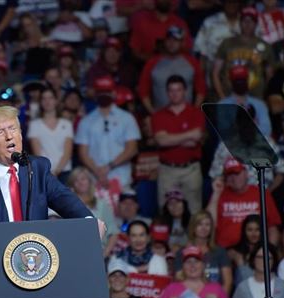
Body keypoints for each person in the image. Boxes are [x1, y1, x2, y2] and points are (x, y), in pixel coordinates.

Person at [0, 106, 104, 251]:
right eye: (0, 132)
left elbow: (65, 200)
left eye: (13, 129)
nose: (9, 136)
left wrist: (89, 222)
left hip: (32, 265)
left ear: (21, 134)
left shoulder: (37, 168)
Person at [151, 75, 205, 213]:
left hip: (191, 169)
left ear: (185, 91)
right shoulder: (159, 115)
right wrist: (188, 134)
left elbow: (195, 141)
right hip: (167, 171)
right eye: (171, 90)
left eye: (178, 90)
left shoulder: (196, 113)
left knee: (194, 212)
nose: (175, 94)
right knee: (166, 212)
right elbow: (161, 141)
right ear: (167, 93)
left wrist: (170, 138)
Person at [75, 76, 140, 188]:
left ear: (114, 93)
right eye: (100, 92)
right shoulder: (86, 121)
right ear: (95, 94)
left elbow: (132, 149)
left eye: (107, 91)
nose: (104, 95)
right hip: (95, 180)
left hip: (121, 178)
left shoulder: (127, 118)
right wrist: (98, 172)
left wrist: (109, 167)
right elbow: (83, 153)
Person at [207, 157, 281, 248]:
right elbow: (208, 223)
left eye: (237, 173)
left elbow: (273, 228)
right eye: (230, 174)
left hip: (256, 251)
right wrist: (216, 194)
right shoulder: (220, 194)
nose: (234, 178)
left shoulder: (261, 193)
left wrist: (268, 252)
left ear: (246, 173)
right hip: (225, 251)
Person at [155, 246, 230, 298]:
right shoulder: (171, 288)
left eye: (196, 261)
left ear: (203, 265)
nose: (192, 265)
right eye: (188, 262)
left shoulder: (216, 288)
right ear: (182, 266)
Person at [213, 6, 275, 100]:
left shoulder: (266, 47)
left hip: (256, 99)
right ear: (240, 22)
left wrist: (264, 98)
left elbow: (270, 76)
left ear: (256, 24)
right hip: (229, 97)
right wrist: (222, 97)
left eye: (251, 21)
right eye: (244, 20)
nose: (247, 24)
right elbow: (215, 73)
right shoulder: (227, 43)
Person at [138, 27, 206, 113]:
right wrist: (152, 113)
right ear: (164, 42)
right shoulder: (152, 63)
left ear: (182, 43)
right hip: (160, 116)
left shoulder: (192, 63)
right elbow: (143, 91)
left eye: (176, 40)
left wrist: (194, 111)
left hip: (186, 116)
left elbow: (201, 90)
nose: (172, 43)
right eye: (169, 39)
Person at [174, 211, 233, 295]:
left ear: (211, 228)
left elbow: (227, 283)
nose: (204, 228)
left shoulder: (220, 252)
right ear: (193, 227)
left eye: (207, 224)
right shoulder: (182, 253)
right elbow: (179, 281)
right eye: (200, 224)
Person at [66, 167, 117, 254]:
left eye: (83, 179)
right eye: (76, 180)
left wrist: (105, 254)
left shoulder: (101, 204)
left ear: (89, 182)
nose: (80, 182)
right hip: (73, 252)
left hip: (98, 251)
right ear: (72, 185)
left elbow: (113, 232)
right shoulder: (66, 206)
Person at [27, 87, 74, 181]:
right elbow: (38, 153)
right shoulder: (34, 125)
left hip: (65, 172)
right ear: (40, 102)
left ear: (56, 101)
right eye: (44, 98)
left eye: (50, 98)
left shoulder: (67, 124)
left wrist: (57, 171)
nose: (47, 101)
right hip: (44, 173)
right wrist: (50, 172)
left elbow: (67, 152)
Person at [228, 214, 263, 285]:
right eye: (250, 230)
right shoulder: (234, 252)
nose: (254, 234)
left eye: (257, 230)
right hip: (241, 292)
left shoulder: (269, 251)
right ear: (244, 231)